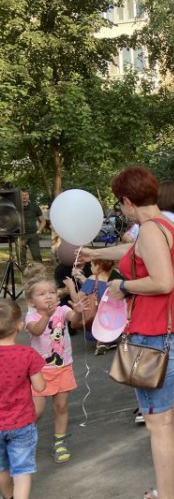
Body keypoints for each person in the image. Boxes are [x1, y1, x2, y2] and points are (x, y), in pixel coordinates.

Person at [104, 166, 174, 499]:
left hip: (156, 336)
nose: (121, 210)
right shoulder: (170, 226)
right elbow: (135, 254)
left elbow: (162, 282)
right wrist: (93, 252)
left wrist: (122, 285)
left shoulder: (147, 229)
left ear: (128, 201)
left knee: (158, 423)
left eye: (121, 205)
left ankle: (168, 494)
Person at [24, 276, 82, 464]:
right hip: (39, 371)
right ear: (31, 301)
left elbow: (75, 322)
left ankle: (59, 441)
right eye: (42, 294)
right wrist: (47, 316)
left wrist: (79, 312)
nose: (48, 297)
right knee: (36, 412)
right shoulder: (31, 317)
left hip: (63, 366)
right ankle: (22, 441)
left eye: (51, 292)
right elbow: (36, 331)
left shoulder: (62, 309)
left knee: (61, 406)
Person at [0, 300, 46, 499]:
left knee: (1, 467)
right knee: (22, 470)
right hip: (22, 422)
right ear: (19, 325)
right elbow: (40, 387)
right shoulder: (27, 354)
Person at [63, 258, 122, 355]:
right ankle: (107, 340)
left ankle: (101, 340)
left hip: (97, 317)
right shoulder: (117, 278)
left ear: (98, 266)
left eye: (91, 265)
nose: (90, 268)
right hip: (114, 318)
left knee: (92, 314)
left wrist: (71, 286)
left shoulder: (93, 278)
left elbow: (77, 300)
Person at [19, 189, 45, 268]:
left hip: (33, 234)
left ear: (28, 196)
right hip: (21, 235)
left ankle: (40, 274)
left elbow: (43, 221)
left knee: (36, 255)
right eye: (22, 195)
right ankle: (24, 276)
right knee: (22, 257)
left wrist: (39, 231)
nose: (24, 197)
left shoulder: (34, 206)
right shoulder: (16, 207)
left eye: (26, 195)